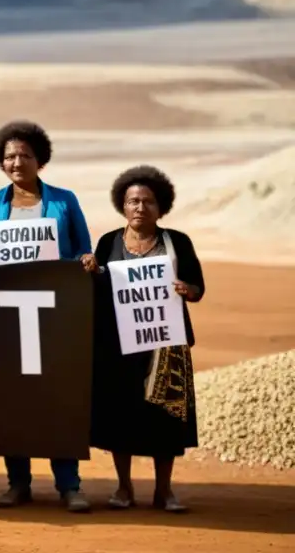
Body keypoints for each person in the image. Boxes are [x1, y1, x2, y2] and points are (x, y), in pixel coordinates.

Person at [0, 121, 93, 513]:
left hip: (53, 318)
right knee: (13, 402)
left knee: (58, 399)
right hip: (6, 320)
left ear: (40, 159)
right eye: (9, 156)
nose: (16, 161)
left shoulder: (63, 200)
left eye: (25, 155)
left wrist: (85, 262)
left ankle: (69, 485)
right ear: (0, 162)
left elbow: (82, 253)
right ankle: (18, 482)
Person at [85, 165, 204, 513]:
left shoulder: (177, 242)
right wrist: (93, 270)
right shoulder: (109, 242)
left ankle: (164, 491)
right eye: (133, 201)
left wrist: (188, 289)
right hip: (117, 346)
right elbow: (100, 285)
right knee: (119, 417)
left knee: (164, 419)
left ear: (161, 206)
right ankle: (123, 488)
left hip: (165, 346)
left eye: (148, 201)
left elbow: (197, 288)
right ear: (122, 206)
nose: (140, 207)